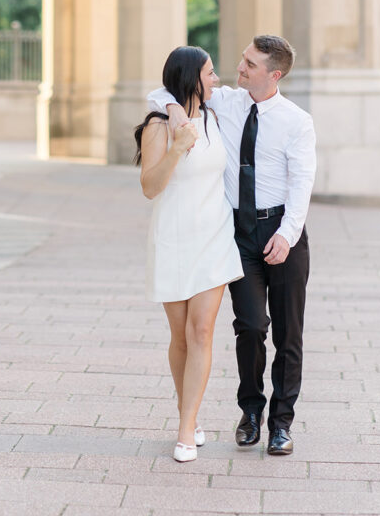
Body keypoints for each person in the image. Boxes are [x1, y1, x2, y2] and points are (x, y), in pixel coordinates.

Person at [149, 34, 315, 456]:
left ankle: (281, 424)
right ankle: (251, 412)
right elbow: (168, 87)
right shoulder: (225, 102)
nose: (239, 68)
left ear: (273, 75)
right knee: (251, 327)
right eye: (242, 59)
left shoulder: (297, 121)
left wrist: (287, 234)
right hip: (238, 232)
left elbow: (302, 184)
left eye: (250, 64)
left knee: (288, 333)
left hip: (283, 230)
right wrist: (171, 110)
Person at [135, 46, 243, 463]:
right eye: (210, 73)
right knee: (180, 336)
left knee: (201, 331)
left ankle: (185, 429)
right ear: (190, 79)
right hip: (173, 239)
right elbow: (149, 187)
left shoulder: (218, 115)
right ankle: (190, 417)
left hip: (214, 237)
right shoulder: (158, 128)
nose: (216, 79)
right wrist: (178, 146)